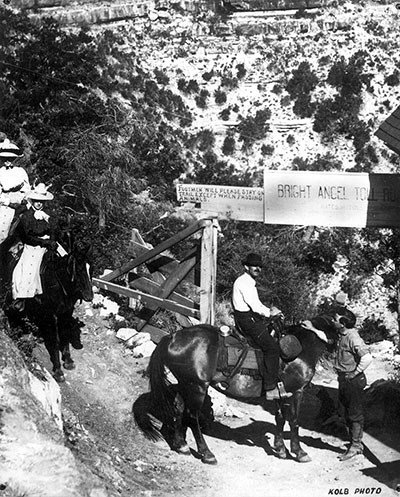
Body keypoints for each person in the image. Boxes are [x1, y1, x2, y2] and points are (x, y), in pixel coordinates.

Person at [232, 252, 291, 400]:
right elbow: (256, 306)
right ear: (246, 267)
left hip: (249, 318)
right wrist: (272, 313)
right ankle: (270, 388)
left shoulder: (248, 281)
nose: (258, 268)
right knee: (272, 348)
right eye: (254, 266)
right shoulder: (245, 283)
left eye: (259, 266)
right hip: (248, 321)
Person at [333, 308, 372, 461]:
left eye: (335, 319)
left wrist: (355, 373)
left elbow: (367, 358)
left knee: (354, 414)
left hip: (353, 381)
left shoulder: (353, 337)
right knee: (345, 411)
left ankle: (355, 446)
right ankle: (355, 443)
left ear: (342, 323)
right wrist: (313, 329)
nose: (332, 321)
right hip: (344, 379)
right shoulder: (342, 334)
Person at [12, 183, 57, 303]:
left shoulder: (48, 214)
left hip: (48, 243)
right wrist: (44, 242)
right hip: (33, 246)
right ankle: (25, 297)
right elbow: (27, 236)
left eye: (41, 201)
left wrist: (52, 240)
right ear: (32, 201)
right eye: (36, 201)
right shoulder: (27, 216)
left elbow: (54, 229)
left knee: (66, 258)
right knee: (30, 268)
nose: (39, 203)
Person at [0, 138, 29, 243]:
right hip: (5, 203)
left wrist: (24, 201)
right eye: (4, 158)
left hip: (19, 201)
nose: (7, 161)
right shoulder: (1, 172)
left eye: (10, 158)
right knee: (3, 229)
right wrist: (8, 202)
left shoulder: (20, 171)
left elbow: (26, 189)